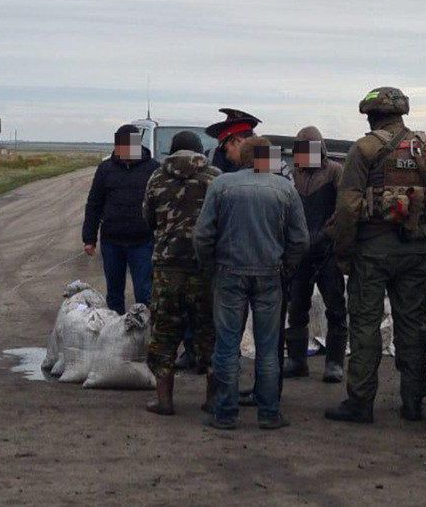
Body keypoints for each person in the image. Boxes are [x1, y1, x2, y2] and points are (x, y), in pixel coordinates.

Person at [325, 87, 426, 423]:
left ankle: (360, 404)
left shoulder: (362, 149)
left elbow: (348, 207)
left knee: (365, 327)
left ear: (370, 114)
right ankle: (413, 403)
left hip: (372, 253)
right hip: (417, 251)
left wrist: (344, 254)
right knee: (412, 327)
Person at [195, 137, 309, 430]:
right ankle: (269, 413)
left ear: (240, 157)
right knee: (269, 347)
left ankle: (225, 413)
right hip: (270, 274)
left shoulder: (222, 185)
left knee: (227, 345)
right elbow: (300, 240)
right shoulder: (285, 189)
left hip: (229, 273)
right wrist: (287, 268)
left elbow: (203, 235)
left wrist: (211, 268)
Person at [142, 131, 221, 415]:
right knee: (210, 332)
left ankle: (164, 400)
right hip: (205, 269)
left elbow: (148, 218)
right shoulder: (216, 177)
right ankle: (213, 399)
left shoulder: (156, 177)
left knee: (163, 333)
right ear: (199, 150)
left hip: (167, 268)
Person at [284, 126, 348, 383]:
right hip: (300, 252)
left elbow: (344, 208)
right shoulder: (293, 176)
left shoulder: (335, 171)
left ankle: (334, 362)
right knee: (297, 306)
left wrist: (326, 235)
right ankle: (297, 360)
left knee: (335, 307)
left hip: (327, 251)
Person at [82, 124, 159, 314]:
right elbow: (94, 203)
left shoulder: (154, 169)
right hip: (112, 242)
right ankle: (115, 333)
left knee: (144, 292)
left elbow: (161, 205)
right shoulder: (105, 169)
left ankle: (145, 333)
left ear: (137, 144)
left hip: (142, 242)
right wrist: (89, 238)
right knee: (114, 294)